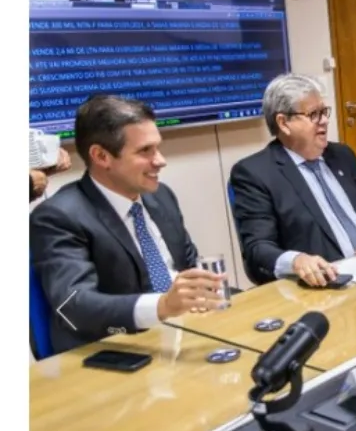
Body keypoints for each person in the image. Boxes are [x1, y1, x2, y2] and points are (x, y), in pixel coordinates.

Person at [29, 95, 224, 355]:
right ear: (101, 156)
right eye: (145, 151)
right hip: (112, 351)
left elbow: (187, 264)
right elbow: (73, 305)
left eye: (158, 148)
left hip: (185, 332)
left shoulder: (161, 196)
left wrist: (202, 290)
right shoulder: (58, 216)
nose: (160, 160)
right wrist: (162, 306)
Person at [230, 73, 356, 287]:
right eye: (313, 114)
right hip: (328, 287)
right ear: (284, 123)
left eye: (324, 112)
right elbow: (258, 248)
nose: (324, 120)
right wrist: (297, 261)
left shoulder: (342, 155)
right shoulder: (255, 173)